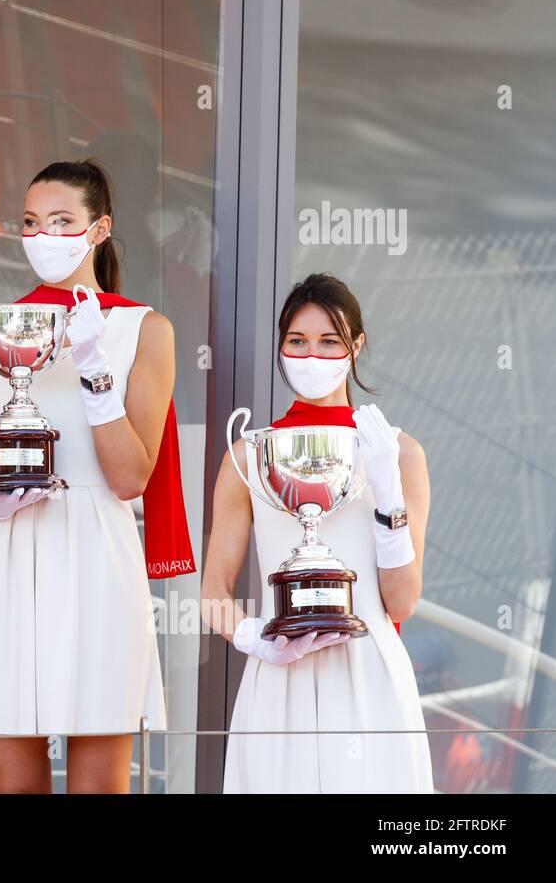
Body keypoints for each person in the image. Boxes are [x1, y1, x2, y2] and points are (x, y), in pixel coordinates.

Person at [0, 159, 194, 793]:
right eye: (32, 223)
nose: (43, 237)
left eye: (62, 222)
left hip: (98, 561)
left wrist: (95, 372)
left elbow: (130, 476)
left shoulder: (147, 330)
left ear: (99, 229)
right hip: (10, 557)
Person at [201, 272, 434, 792]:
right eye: (298, 342)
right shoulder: (248, 457)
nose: (312, 356)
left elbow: (401, 602)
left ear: (357, 346)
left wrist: (388, 494)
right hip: (278, 677)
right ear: (281, 348)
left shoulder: (402, 454)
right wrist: (257, 639)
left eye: (329, 342)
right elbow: (212, 593)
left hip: (369, 676)